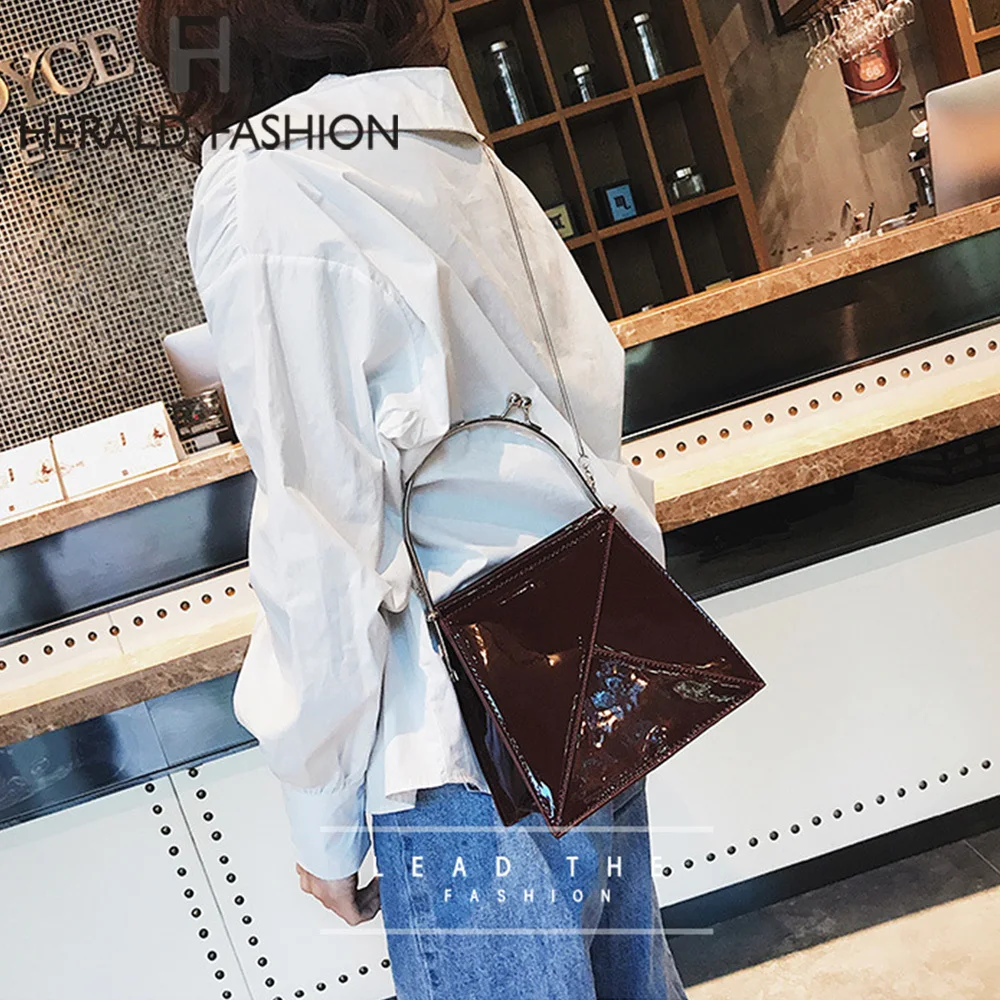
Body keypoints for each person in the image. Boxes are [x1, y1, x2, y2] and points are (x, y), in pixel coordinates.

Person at [138, 2, 689, 997]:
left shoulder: (266, 185)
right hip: (581, 635)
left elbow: (325, 534)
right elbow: (584, 392)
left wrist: (323, 813)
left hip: (455, 717)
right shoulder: (442, 143)